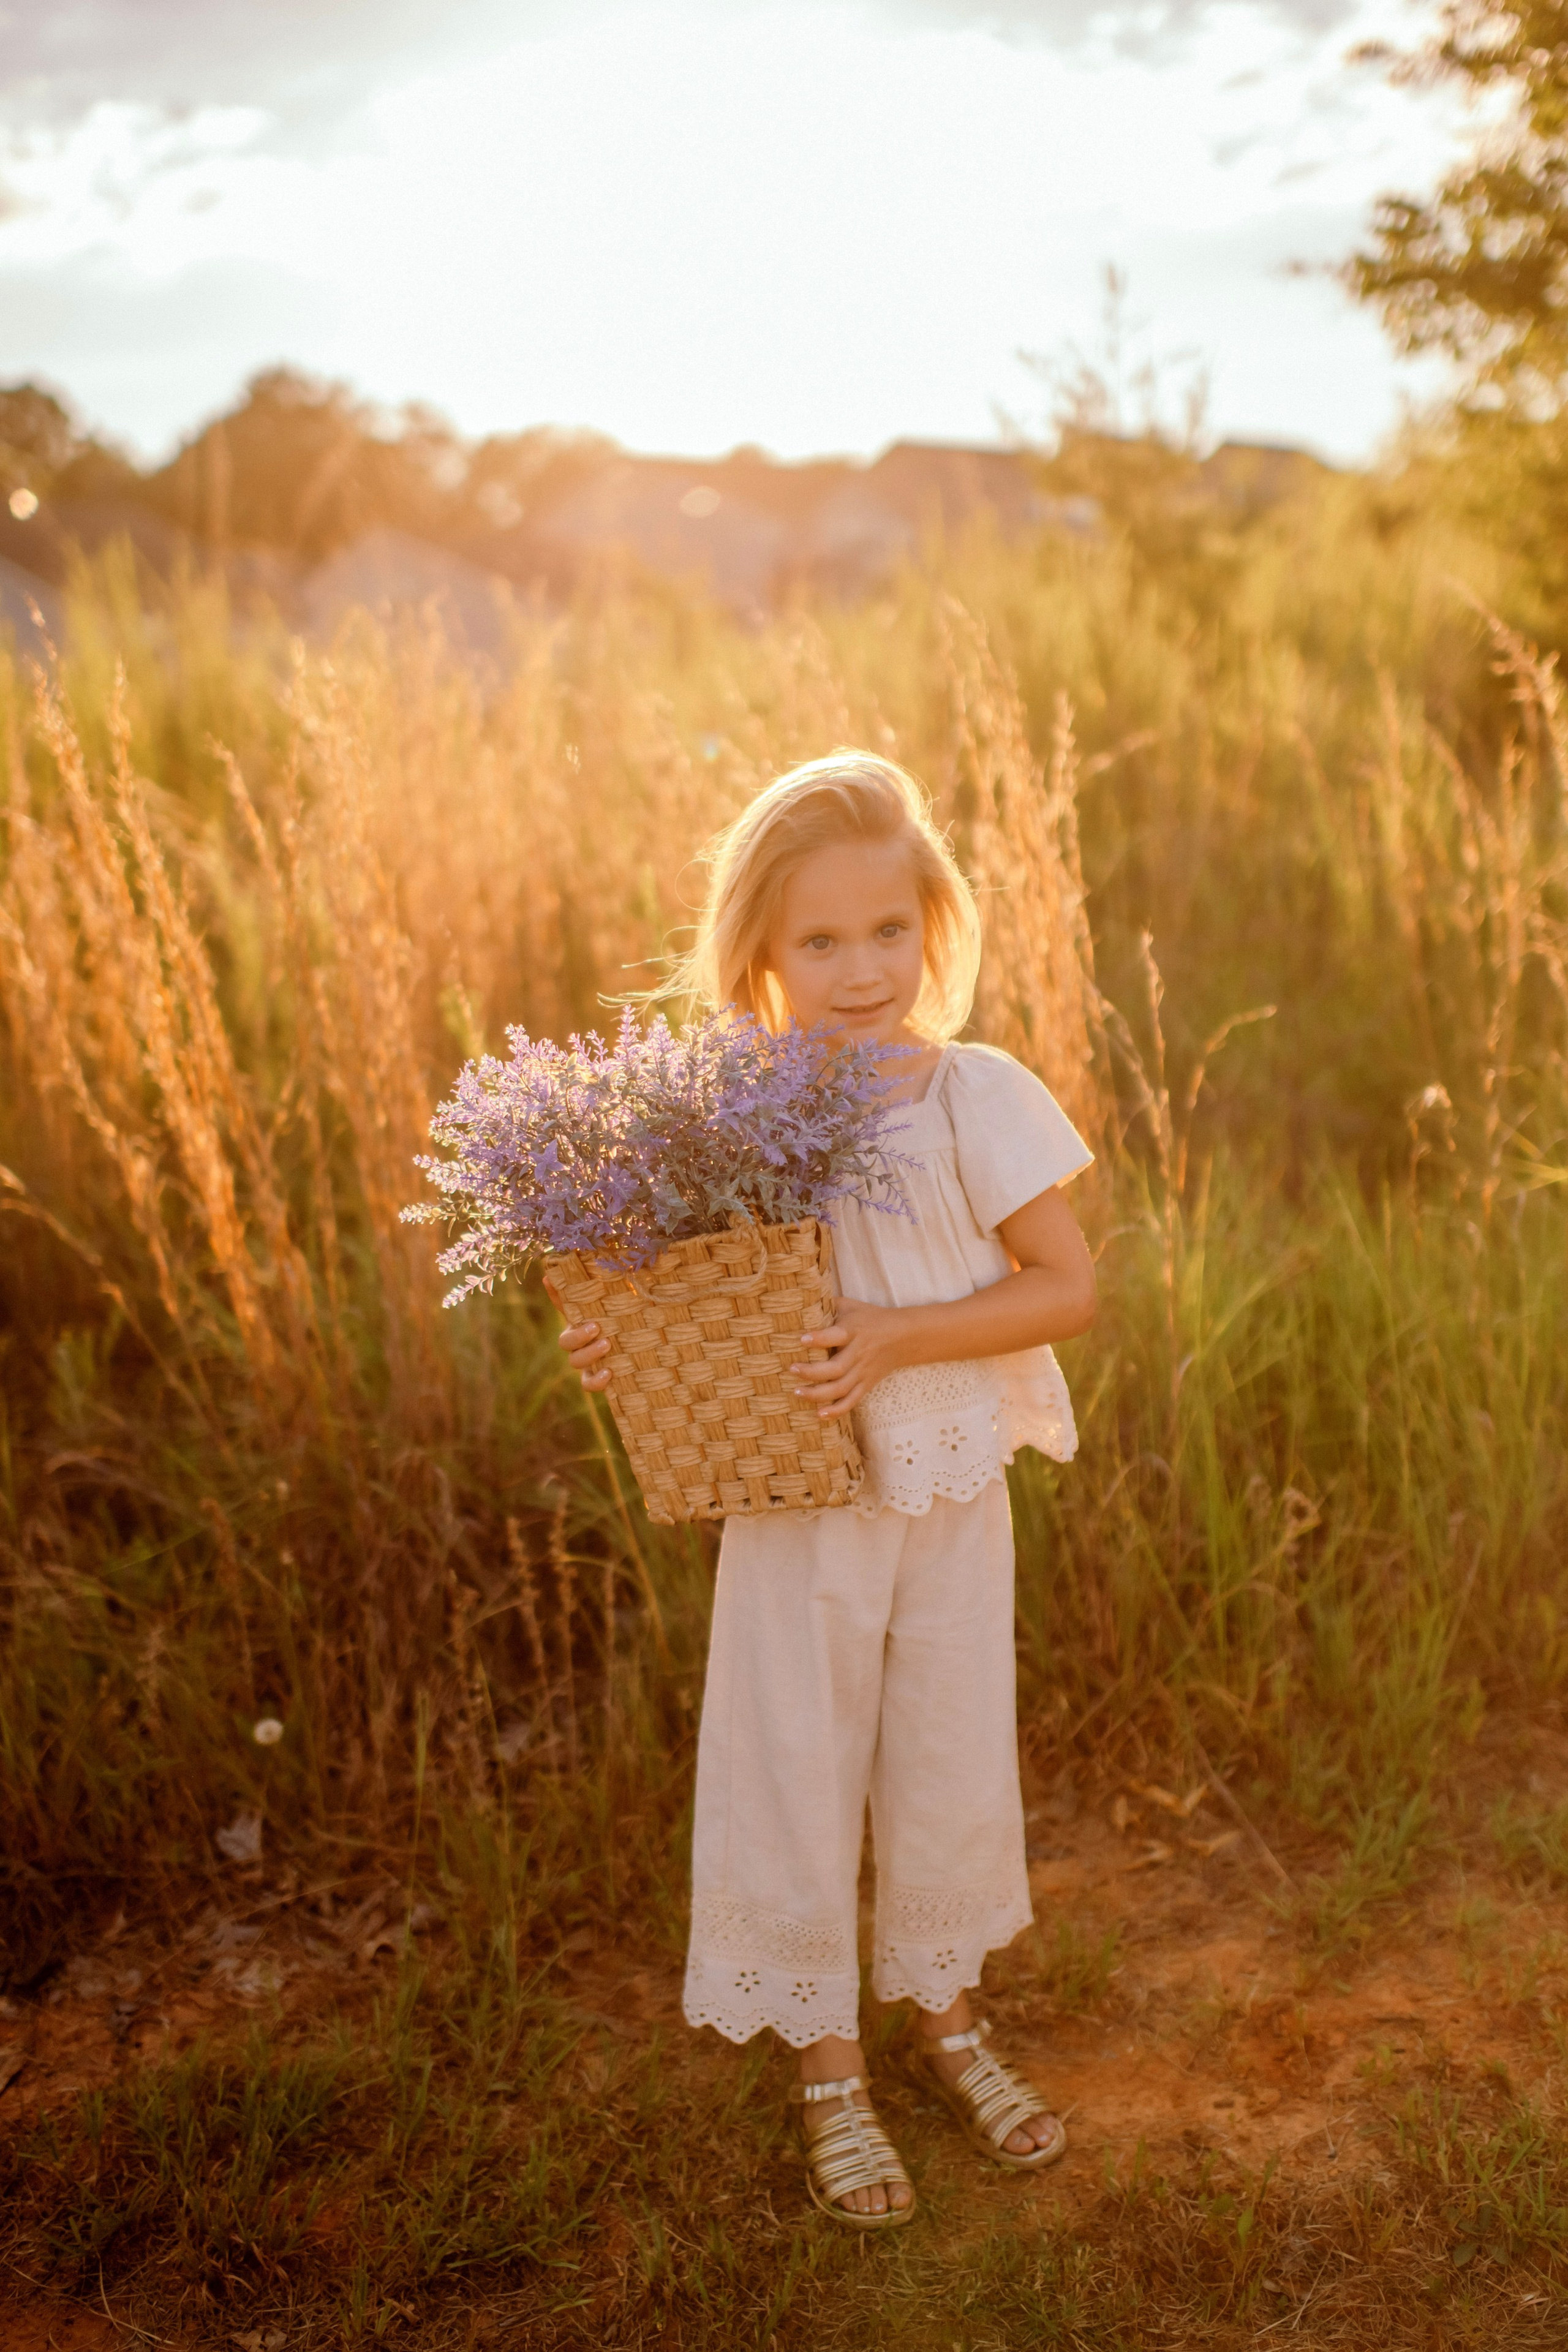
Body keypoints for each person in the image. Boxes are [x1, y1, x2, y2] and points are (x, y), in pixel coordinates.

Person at [554, 752, 1098, 2229]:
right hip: (791, 1509)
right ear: (756, 955)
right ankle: (829, 2072)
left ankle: (948, 2019)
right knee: (794, 1763)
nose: (862, 971)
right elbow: (641, 1301)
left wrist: (906, 1334)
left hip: (941, 1494)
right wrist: (612, 1334)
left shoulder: (967, 1094)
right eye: (819, 941)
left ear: (933, 925)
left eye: (889, 933)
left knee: (942, 1746)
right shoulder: (715, 1119)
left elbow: (1065, 1285)